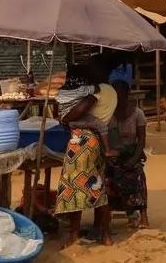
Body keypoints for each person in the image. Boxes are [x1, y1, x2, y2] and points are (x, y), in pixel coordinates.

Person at [55, 64, 117, 246]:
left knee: (75, 187)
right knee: (97, 187)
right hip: (96, 140)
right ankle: (105, 235)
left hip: (83, 141)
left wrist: (65, 118)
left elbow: (77, 111)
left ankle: (74, 234)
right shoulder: (110, 91)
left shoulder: (97, 91)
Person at [106, 80, 149, 229]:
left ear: (127, 96)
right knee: (107, 179)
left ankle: (143, 217)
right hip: (113, 156)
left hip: (132, 154)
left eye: (121, 96)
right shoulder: (108, 115)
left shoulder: (138, 114)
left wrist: (134, 159)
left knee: (138, 176)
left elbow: (141, 141)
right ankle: (105, 217)